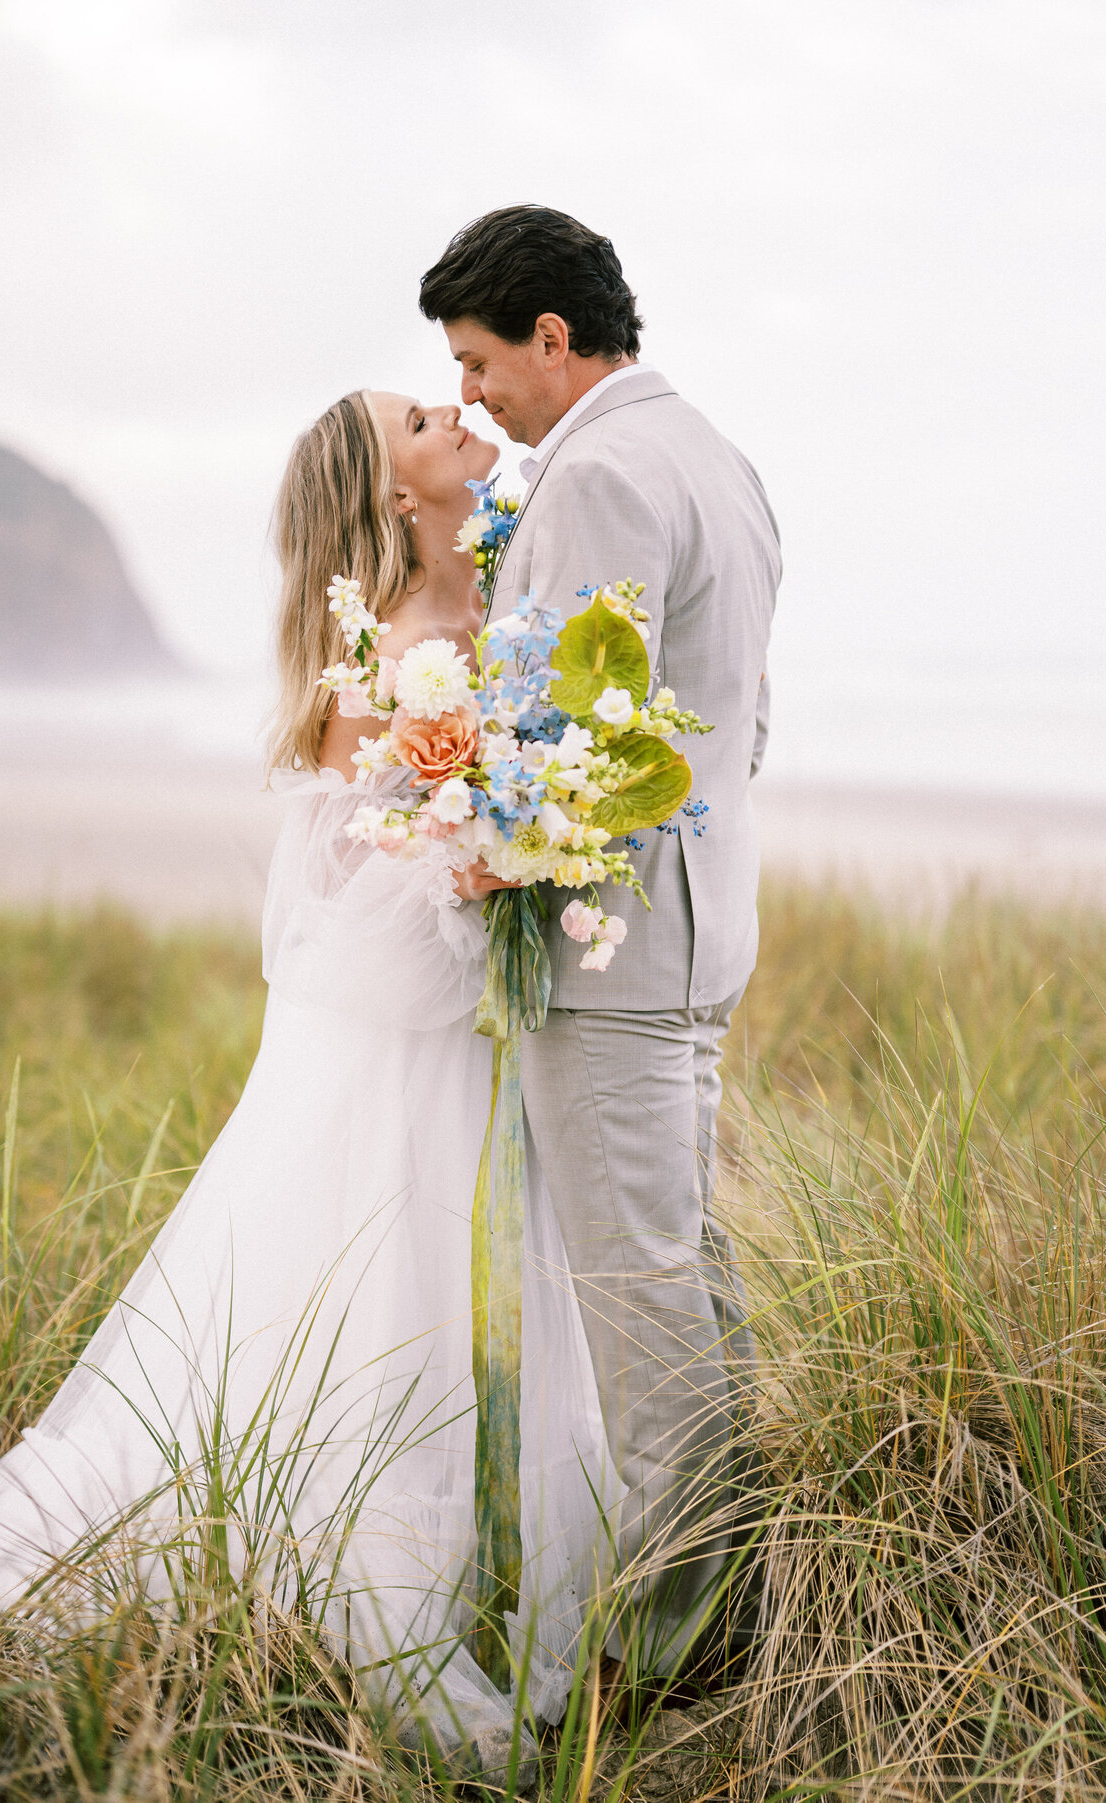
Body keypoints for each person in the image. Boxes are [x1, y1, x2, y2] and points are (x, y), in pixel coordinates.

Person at [0, 390, 625, 1785]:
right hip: (381, 1058)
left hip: (425, 1050)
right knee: (340, 1301)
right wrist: (504, 868)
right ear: (392, 492)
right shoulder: (404, 655)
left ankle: (325, 1548)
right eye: (425, 418)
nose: (459, 413)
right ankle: (337, 1583)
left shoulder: (488, 602)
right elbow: (373, 906)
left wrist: (519, 847)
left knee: (370, 1303)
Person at [420, 204, 781, 1675]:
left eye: (480, 361)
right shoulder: (715, 455)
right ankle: (747, 1599)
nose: (471, 396)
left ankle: (682, 1644)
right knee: (682, 1274)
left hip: (616, 948)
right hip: (696, 925)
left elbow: (555, 734)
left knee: (642, 1303)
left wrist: (472, 847)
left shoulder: (602, 475)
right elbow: (739, 715)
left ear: (552, 340)